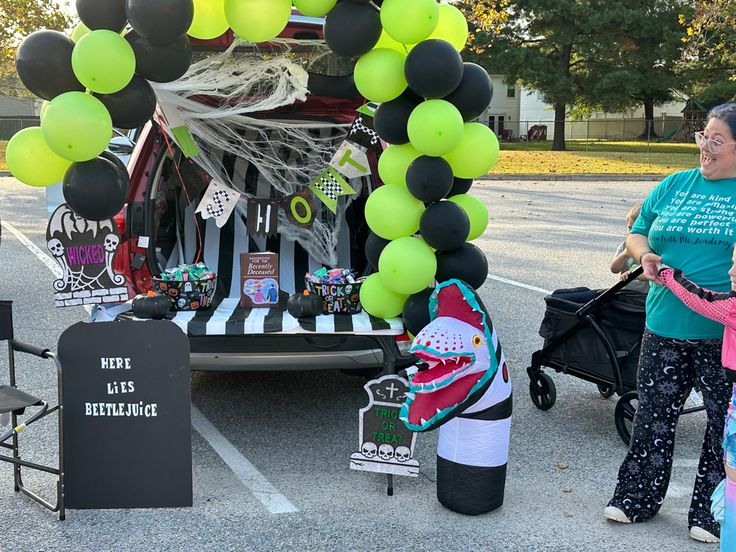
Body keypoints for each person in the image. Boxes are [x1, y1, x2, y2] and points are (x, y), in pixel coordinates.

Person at [604, 103, 736, 544]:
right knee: (653, 417)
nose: (705, 148)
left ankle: (712, 513)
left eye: (717, 141)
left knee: (722, 428)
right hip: (663, 323)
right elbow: (639, 228)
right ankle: (636, 499)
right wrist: (642, 254)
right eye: (704, 137)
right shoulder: (676, 184)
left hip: (722, 336)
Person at [610, 202, 649, 294]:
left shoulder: (651, 249)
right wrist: (624, 254)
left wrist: (633, 274)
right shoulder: (625, 245)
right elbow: (614, 269)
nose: (632, 232)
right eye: (630, 228)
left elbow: (651, 273)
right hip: (624, 291)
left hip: (643, 295)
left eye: (637, 229)